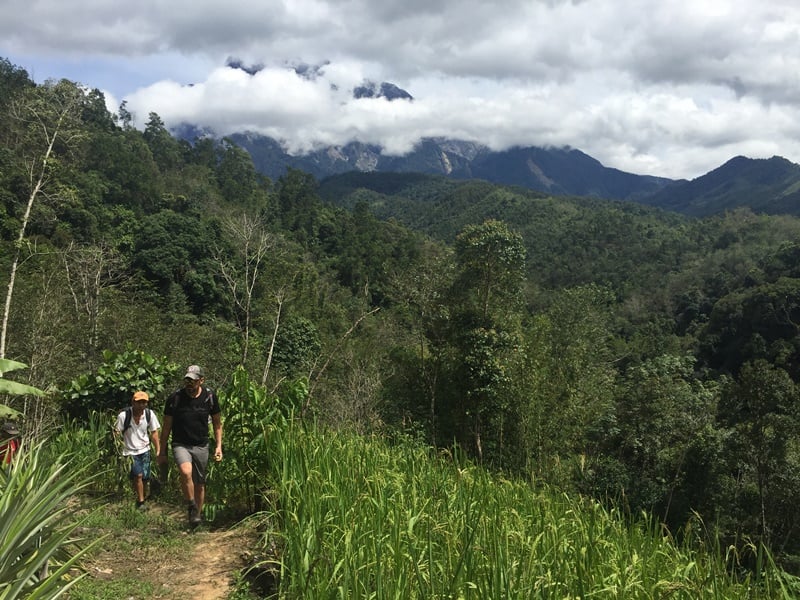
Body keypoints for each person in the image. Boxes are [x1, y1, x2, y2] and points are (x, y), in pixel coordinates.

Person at [157, 365, 222, 527]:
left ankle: (196, 518)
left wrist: (219, 446)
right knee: (186, 473)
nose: (189, 383)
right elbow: (166, 427)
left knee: (199, 483)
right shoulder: (175, 399)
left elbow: (217, 423)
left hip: (201, 444)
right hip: (181, 444)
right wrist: (162, 450)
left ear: (201, 380)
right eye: (187, 380)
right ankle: (191, 505)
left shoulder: (210, 397)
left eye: (193, 380)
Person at [114, 391, 161, 510]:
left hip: (145, 450)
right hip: (129, 452)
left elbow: (154, 433)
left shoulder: (149, 415)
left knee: (145, 477)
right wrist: (118, 448)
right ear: (133, 402)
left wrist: (158, 450)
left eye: (144, 402)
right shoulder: (124, 416)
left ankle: (141, 497)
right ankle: (140, 502)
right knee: (138, 475)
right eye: (139, 402)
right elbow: (116, 433)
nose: (141, 405)